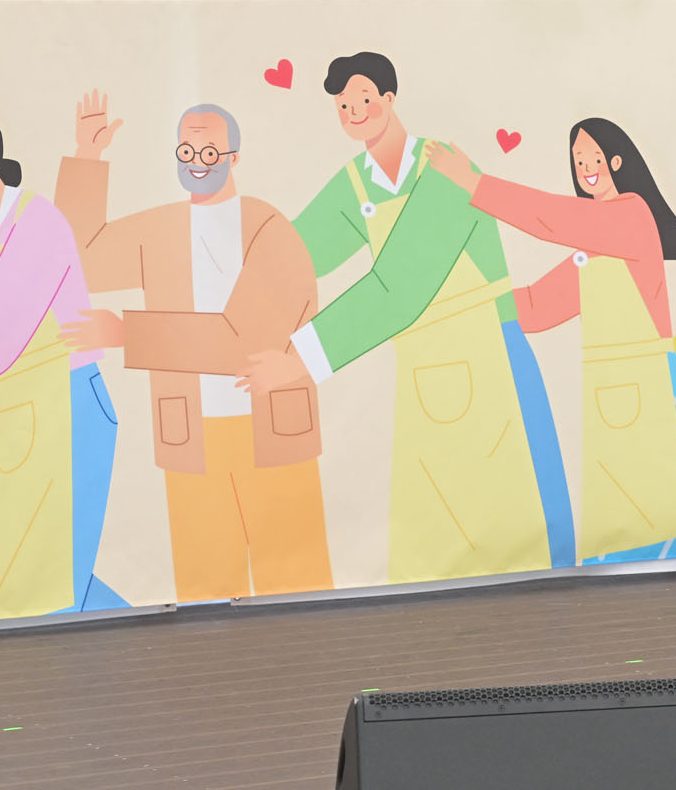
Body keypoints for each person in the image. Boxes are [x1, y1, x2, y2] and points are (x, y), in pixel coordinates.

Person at [240, 52, 573, 584]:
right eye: (342, 105)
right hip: (424, 384)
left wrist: (297, 360)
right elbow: (296, 258)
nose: (354, 111)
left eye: (363, 98)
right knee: (430, 553)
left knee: (519, 545)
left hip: (491, 365)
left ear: (389, 98)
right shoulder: (356, 186)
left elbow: (399, 288)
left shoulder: (445, 168)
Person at [56, 94, 333, 603]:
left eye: (209, 153)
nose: (196, 164)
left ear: (234, 158)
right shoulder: (160, 229)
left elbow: (241, 341)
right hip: (191, 436)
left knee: (299, 590)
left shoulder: (269, 228)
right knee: (204, 599)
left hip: (271, 431)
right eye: (186, 152)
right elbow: (81, 258)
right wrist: (88, 156)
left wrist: (127, 333)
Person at [424, 118, 676, 563]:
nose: (587, 169)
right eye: (579, 161)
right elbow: (536, 304)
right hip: (615, 406)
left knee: (672, 525)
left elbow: (552, 219)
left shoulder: (631, 216)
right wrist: (465, 307)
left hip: (652, 393)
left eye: (595, 159)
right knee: (628, 523)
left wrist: (475, 184)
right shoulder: (595, 251)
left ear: (618, 162)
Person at [0, 103, 115, 621]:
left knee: (51, 584)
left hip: (69, 403)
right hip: (17, 414)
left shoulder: (37, 219)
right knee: (28, 583)